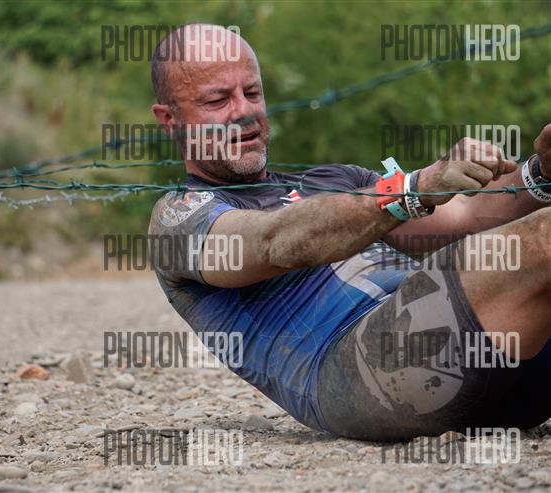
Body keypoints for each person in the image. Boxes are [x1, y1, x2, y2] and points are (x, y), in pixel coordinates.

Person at [147, 24, 550, 440]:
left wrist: (540, 174)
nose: (243, 112)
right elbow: (272, 243)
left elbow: (464, 216)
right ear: (169, 120)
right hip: (361, 374)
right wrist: (411, 189)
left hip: (484, 357)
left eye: (252, 93)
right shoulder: (177, 218)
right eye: (217, 100)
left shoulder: (333, 178)